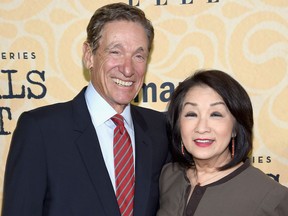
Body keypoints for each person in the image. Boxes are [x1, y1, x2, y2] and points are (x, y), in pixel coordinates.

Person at [2, 3, 170, 216]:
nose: (128, 69)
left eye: (139, 55)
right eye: (115, 52)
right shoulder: (41, 131)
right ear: (89, 55)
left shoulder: (160, 130)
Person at [157, 69, 288, 216]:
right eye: (191, 114)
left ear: (235, 128)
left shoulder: (272, 197)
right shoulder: (168, 176)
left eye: (216, 114)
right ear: (178, 125)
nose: (202, 128)